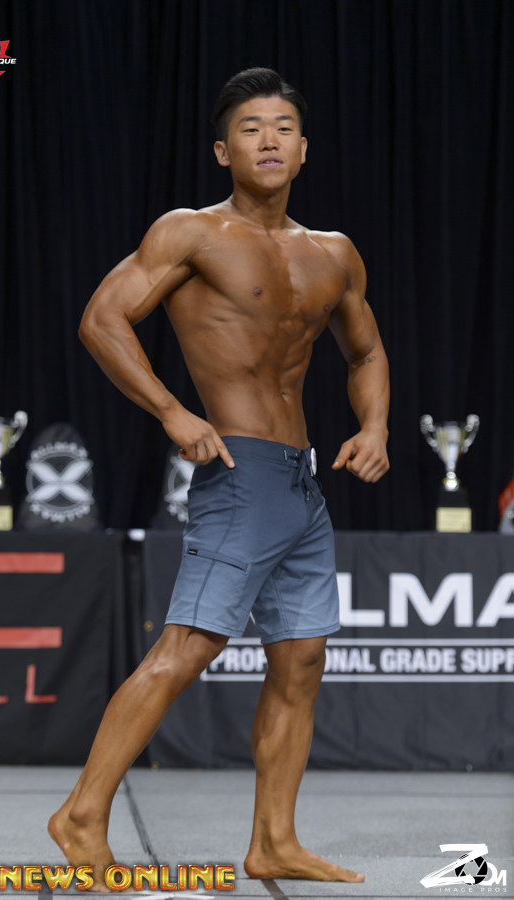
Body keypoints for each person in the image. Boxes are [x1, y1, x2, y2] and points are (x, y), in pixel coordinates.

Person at [48, 67, 389, 889]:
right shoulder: (190, 234)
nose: (268, 140)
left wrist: (374, 425)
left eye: (282, 128)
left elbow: (365, 352)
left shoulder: (332, 252)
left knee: (301, 661)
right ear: (221, 150)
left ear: (303, 151)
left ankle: (273, 840)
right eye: (250, 128)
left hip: (301, 482)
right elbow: (102, 319)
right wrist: (171, 410)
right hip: (239, 475)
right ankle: (82, 814)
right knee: (188, 647)